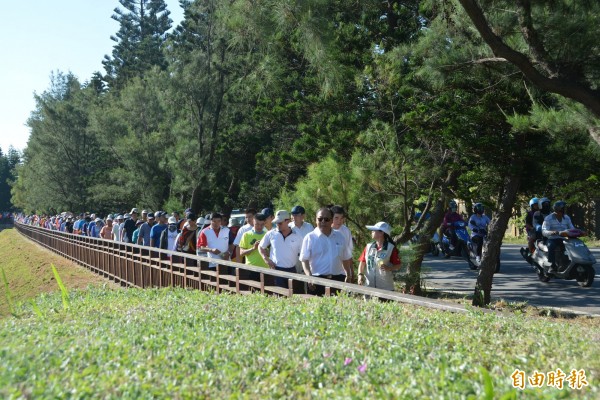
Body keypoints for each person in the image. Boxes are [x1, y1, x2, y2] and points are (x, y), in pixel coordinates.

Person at [300, 207, 353, 295]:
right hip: (317, 281)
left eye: (326, 219)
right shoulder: (310, 238)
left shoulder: (340, 236)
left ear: (332, 220)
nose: (323, 222)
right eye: (320, 219)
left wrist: (348, 274)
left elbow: (345, 257)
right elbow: (304, 260)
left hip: (338, 280)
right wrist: (309, 277)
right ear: (315, 220)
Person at [260, 210, 303, 289]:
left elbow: (303, 254)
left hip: (292, 270)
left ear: (287, 221)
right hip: (276, 270)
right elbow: (261, 247)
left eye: (280, 223)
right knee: (278, 297)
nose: (277, 225)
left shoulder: (297, 235)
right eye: (276, 223)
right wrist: (266, 259)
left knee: (292, 296)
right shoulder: (271, 233)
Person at [357, 221, 402, 291]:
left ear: (382, 233)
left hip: (386, 288)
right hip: (369, 287)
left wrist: (388, 268)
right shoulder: (368, 247)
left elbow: (398, 265)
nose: (372, 231)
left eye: (374, 230)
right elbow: (362, 263)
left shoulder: (390, 248)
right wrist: (360, 275)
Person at [542, 201, 575, 273]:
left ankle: (569, 263)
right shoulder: (548, 218)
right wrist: (551, 232)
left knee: (575, 246)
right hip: (553, 239)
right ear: (557, 210)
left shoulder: (566, 217)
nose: (564, 211)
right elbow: (544, 231)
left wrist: (577, 232)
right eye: (562, 209)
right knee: (551, 246)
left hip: (564, 238)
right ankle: (552, 265)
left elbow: (572, 228)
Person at [239, 213, 269, 278]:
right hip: (250, 269)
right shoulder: (246, 235)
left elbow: (272, 254)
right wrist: (253, 248)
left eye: (262, 225)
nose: (259, 227)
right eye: (257, 224)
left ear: (265, 223)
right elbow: (241, 253)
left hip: (266, 269)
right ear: (253, 221)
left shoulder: (268, 235)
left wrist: (264, 250)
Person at [330, 205, 354, 282]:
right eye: (336, 218)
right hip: (328, 272)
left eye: (341, 218)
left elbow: (348, 253)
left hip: (343, 272)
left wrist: (351, 272)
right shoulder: (325, 230)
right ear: (331, 217)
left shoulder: (346, 231)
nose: (339, 221)